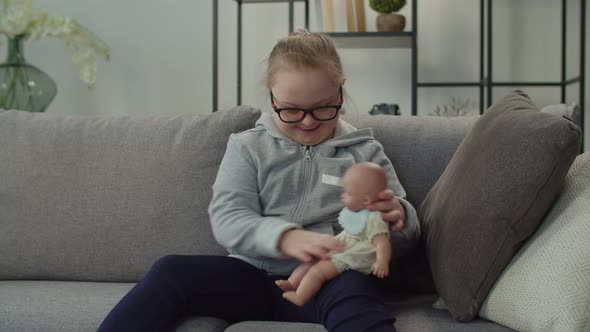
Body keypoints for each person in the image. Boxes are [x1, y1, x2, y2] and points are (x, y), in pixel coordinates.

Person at [98, 28, 419, 332]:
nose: (307, 122)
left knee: (355, 291)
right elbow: (228, 217)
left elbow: (402, 236)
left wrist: (400, 219)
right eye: (292, 110)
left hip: (329, 278)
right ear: (272, 97)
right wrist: (286, 238)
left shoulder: (364, 150)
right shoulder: (247, 147)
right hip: (250, 276)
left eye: (323, 108)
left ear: (340, 92)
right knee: (170, 271)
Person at [277, 162, 392, 307]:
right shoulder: (357, 211)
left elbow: (382, 242)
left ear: (366, 200)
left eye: (348, 194)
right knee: (311, 260)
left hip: (353, 257)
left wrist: (382, 261)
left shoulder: (375, 218)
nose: (342, 196)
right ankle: (292, 283)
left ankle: (301, 297)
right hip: (344, 247)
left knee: (317, 272)